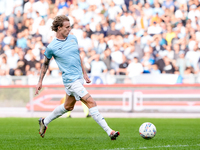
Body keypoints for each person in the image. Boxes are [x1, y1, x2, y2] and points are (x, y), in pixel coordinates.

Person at [35, 15, 120, 140]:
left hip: (79, 78)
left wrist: (84, 73)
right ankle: (110, 132)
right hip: (70, 81)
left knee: (68, 106)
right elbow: (45, 65)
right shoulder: (51, 47)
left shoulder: (73, 38)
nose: (69, 29)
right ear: (59, 28)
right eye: (67, 27)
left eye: (70, 27)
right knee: (91, 101)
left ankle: (44, 121)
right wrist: (40, 81)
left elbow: (78, 56)